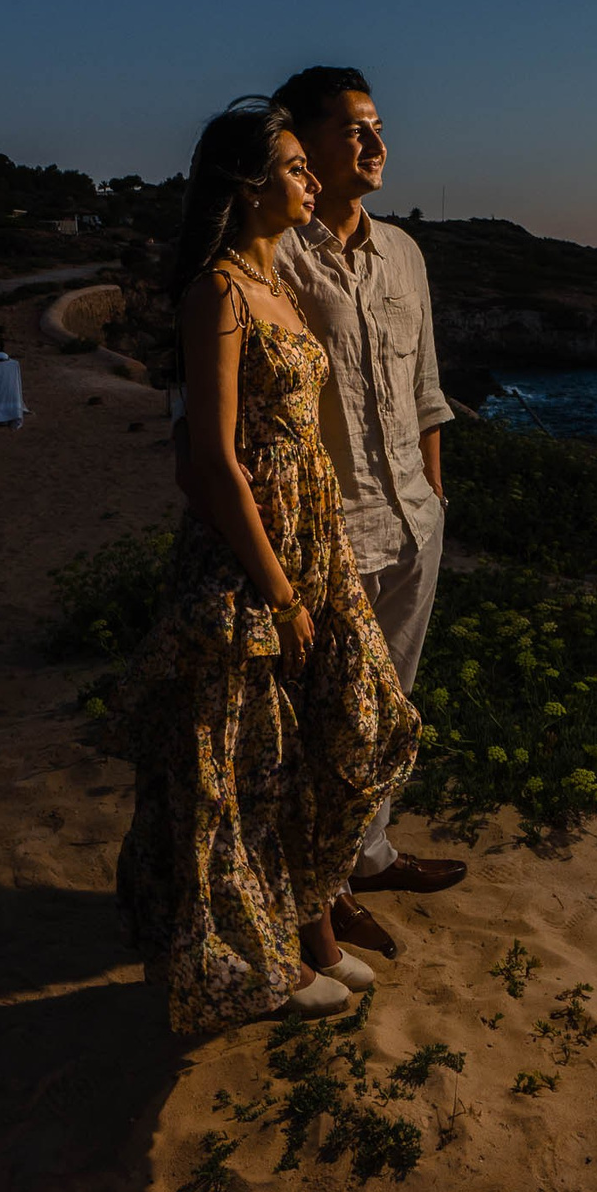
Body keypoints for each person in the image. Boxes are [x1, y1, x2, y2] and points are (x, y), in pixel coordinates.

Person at [114, 97, 421, 1034]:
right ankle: (279, 962)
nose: (312, 179)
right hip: (255, 557)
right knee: (246, 768)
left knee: (358, 727)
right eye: (294, 167)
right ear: (250, 188)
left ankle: (310, 925)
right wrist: (279, 593)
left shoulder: (276, 284)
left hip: (313, 537)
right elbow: (212, 460)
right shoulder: (215, 292)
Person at [269, 66, 467, 960]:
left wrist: (433, 499)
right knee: (326, 718)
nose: (379, 145)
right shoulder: (279, 254)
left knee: (393, 705)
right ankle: (324, 885)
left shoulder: (406, 255)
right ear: (304, 143)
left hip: (413, 521)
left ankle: (371, 852)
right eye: (356, 130)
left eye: (379, 126)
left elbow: (428, 392)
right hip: (335, 531)